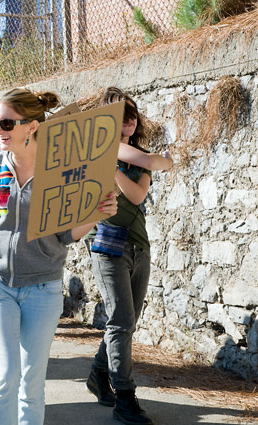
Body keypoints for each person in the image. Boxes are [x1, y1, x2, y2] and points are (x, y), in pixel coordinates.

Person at [0, 88, 118, 425]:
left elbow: (67, 234)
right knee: (4, 374)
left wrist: (96, 214)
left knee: (32, 382)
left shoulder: (59, 170)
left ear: (32, 126)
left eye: (5, 123)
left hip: (43, 287)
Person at [84, 87, 172, 425]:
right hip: (107, 242)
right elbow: (152, 163)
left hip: (139, 245)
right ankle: (125, 396)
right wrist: (108, 161)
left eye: (133, 112)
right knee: (121, 320)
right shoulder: (99, 148)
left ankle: (98, 372)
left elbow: (138, 193)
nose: (131, 119)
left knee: (127, 322)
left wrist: (114, 170)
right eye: (123, 115)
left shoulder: (134, 154)